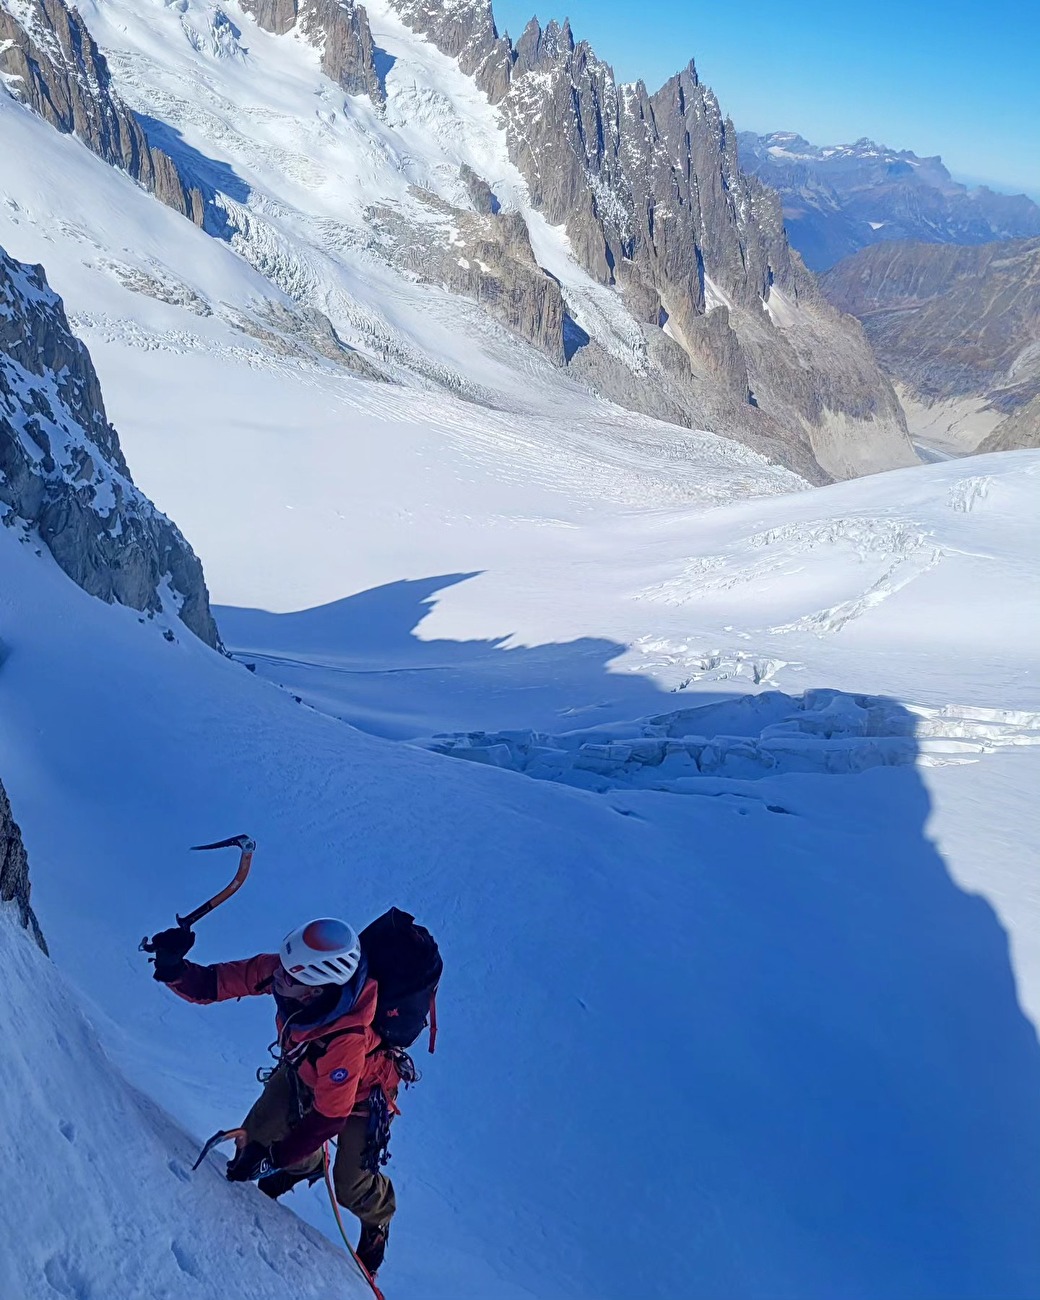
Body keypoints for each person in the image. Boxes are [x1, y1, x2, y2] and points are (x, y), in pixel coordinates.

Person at [147, 917, 400, 1277]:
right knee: (253, 1145)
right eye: (282, 967)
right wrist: (174, 968)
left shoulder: (347, 1038)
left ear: (315, 990)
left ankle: (378, 1216)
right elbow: (215, 983)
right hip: (306, 1072)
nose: (277, 976)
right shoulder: (290, 974)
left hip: (361, 1098)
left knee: (349, 1185)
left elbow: (330, 1117)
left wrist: (276, 1158)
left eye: (289, 977)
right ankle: (307, 1163)